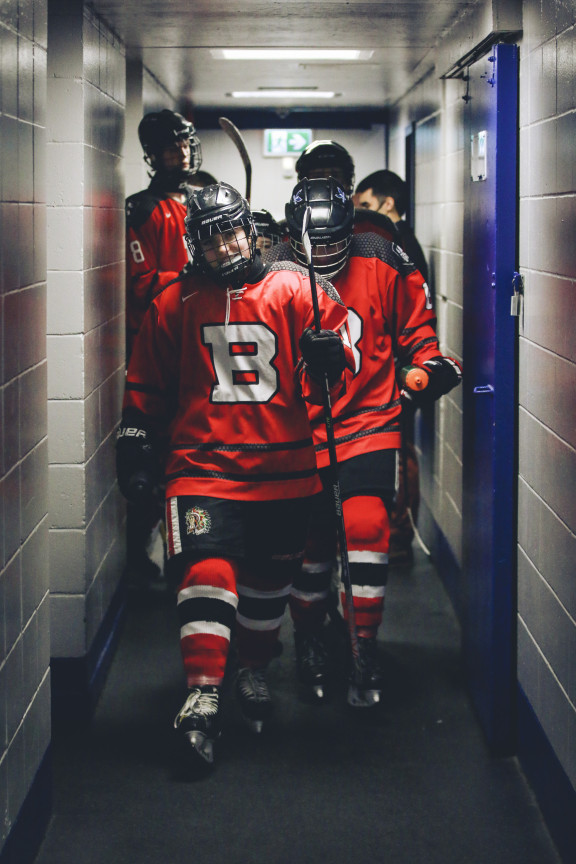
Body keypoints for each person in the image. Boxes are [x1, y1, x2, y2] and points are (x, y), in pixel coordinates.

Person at [116, 182, 353, 771]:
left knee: (266, 589)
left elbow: (348, 340)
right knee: (206, 569)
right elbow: (145, 384)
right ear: (194, 244)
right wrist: (137, 440)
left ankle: (249, 669)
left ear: (249, 229)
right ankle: (203, 692)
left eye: (232, 231)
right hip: (202, 467)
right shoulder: (174, 301)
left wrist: (332, 355)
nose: (225, 245)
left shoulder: (297, 286)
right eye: (211, 236)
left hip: (285, 469)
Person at [263, 178, 462, 707]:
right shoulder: (274, 266)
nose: (323, 255)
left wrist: (426, 368)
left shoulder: (384, 256)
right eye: (314, 245)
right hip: (298, 430)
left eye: (334, 244)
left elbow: (419, 335)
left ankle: (363, 644)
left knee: (367, 526)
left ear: (351, 231)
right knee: (311, 547)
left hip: (368, 419)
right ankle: (309, 637)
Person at [123, 109, 203, 585]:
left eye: (187, 143)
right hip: (158, 350)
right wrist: (191, 277)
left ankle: (191, 551)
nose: (184, 153)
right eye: (173, 146)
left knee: (194, 455)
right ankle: (139, 558)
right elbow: (140, 285)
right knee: (154, 458)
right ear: (153, 154)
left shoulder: (200, 200)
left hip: (199, 347)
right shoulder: (144, 209)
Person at [354, 169, 430, 562]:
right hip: (388, 373)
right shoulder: (393, 243)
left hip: (399, 374)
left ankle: (398, 538)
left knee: (398, 453)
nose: (359, 216)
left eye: (365, 206)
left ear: (388, 204)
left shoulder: (399, 247)